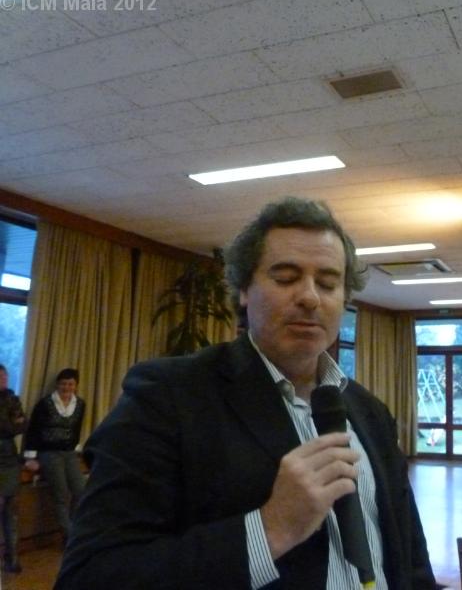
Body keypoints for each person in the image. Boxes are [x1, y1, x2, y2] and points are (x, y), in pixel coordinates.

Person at [56, 197, 436, 589]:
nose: (310, 297)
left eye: (327, 283)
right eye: (285, 277)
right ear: (243, 290)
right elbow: (89, 575)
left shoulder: (370, 410)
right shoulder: (167, 397)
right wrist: (270, 528)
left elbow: (409, 555)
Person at [23, 368, 87, 542]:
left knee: (81, 490)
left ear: (76, 386)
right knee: (61, 494)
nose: (67, 387)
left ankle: (75, 528)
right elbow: (33, 430)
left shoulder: (80, 404)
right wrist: (30, 457)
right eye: (63, 384)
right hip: (49, 453)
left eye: (70, 384)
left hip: (69, 453)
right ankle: (70, 537)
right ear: (57, 385)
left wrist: (77, 449)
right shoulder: (45, 404)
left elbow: (76, 430)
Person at [0, 364, 26, 574]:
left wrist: (8, 426)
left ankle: (12, 556)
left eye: (4, 376)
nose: (2, 379)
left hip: (9, 457)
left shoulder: (13, 399)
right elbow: (12, 425)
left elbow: (22, 425)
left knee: (11, 509)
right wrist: (10, 424)